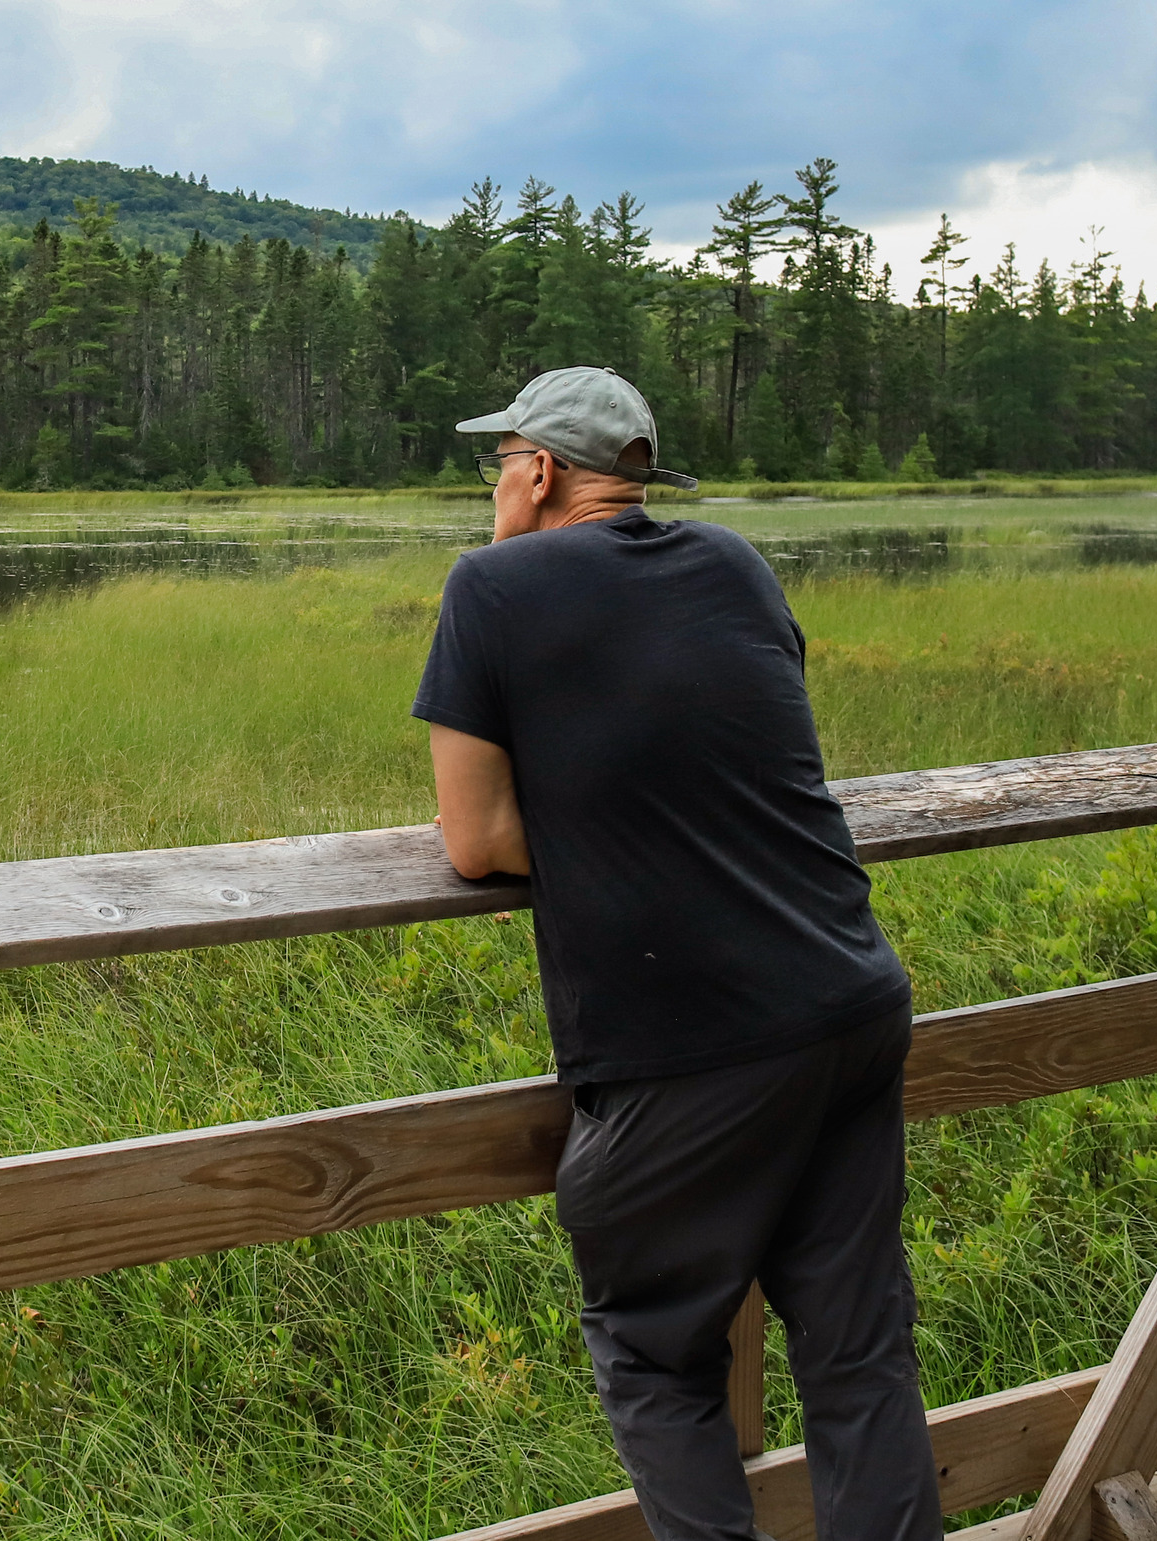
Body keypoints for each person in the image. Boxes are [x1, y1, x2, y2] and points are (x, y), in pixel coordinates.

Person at [413, 367, 942, 1541]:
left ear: (538, 469)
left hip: (693, 1042)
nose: (491, 485)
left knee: (654, 1352)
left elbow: (478, 838)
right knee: (857, 1347)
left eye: (497, 462)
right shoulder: (737, 562)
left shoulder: (491, 584)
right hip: (848, 993)